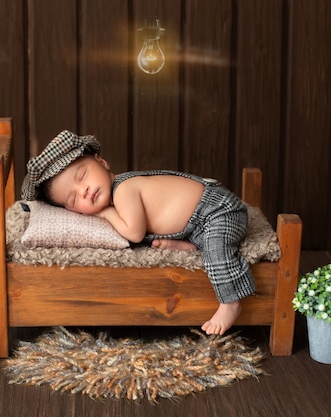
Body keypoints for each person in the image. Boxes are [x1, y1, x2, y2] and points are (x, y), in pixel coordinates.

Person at [21, 130, 254, 335]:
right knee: (207, 241)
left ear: (101, 162)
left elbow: (134, 233)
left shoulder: (124, 189)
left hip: (218, 211)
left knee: (218, 252)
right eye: (73, 199)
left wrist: (106, 214)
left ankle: (231, 302)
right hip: (195, 226)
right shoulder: (116, 195)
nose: (84, 191)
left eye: (82, 176)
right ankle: (190, 245)